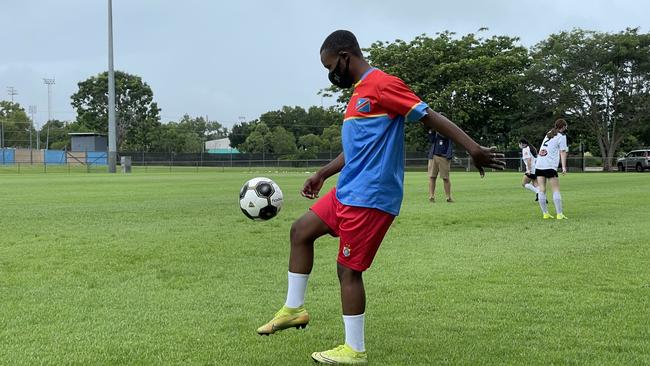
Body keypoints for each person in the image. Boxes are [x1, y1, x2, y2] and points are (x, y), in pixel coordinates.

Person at [256, 30, 505, 365]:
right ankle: (294, 309)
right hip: (347, 191)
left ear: (345, 56)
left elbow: (430, 116)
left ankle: (354, 350)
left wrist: (473, 148)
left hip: (370, 197)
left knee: (347, 270)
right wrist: (322, 174)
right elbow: (355, 149)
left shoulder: (383, 84)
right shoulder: (359, 94)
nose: (331, 75)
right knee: (301, 231)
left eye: (331, 66)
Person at [535, 118, 569, 220]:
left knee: (542, 189)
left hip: (539, 164)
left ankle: (545, 213)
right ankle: (559, 214)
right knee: (555, 189)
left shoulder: (549, 133)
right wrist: (563, 167)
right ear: (563, 127)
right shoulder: (562, 136)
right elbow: (563, 152)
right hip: (549, 165)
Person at [428, 130, 454, 202]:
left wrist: (437, 128)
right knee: (432, 177)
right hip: (434, 156)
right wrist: (431, 131)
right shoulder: (434, 131)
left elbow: (444, 136)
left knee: (445, 178)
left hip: (444, 157)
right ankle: (431, 196)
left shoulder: (446, 130)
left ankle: (448, 197)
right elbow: (431, 140)